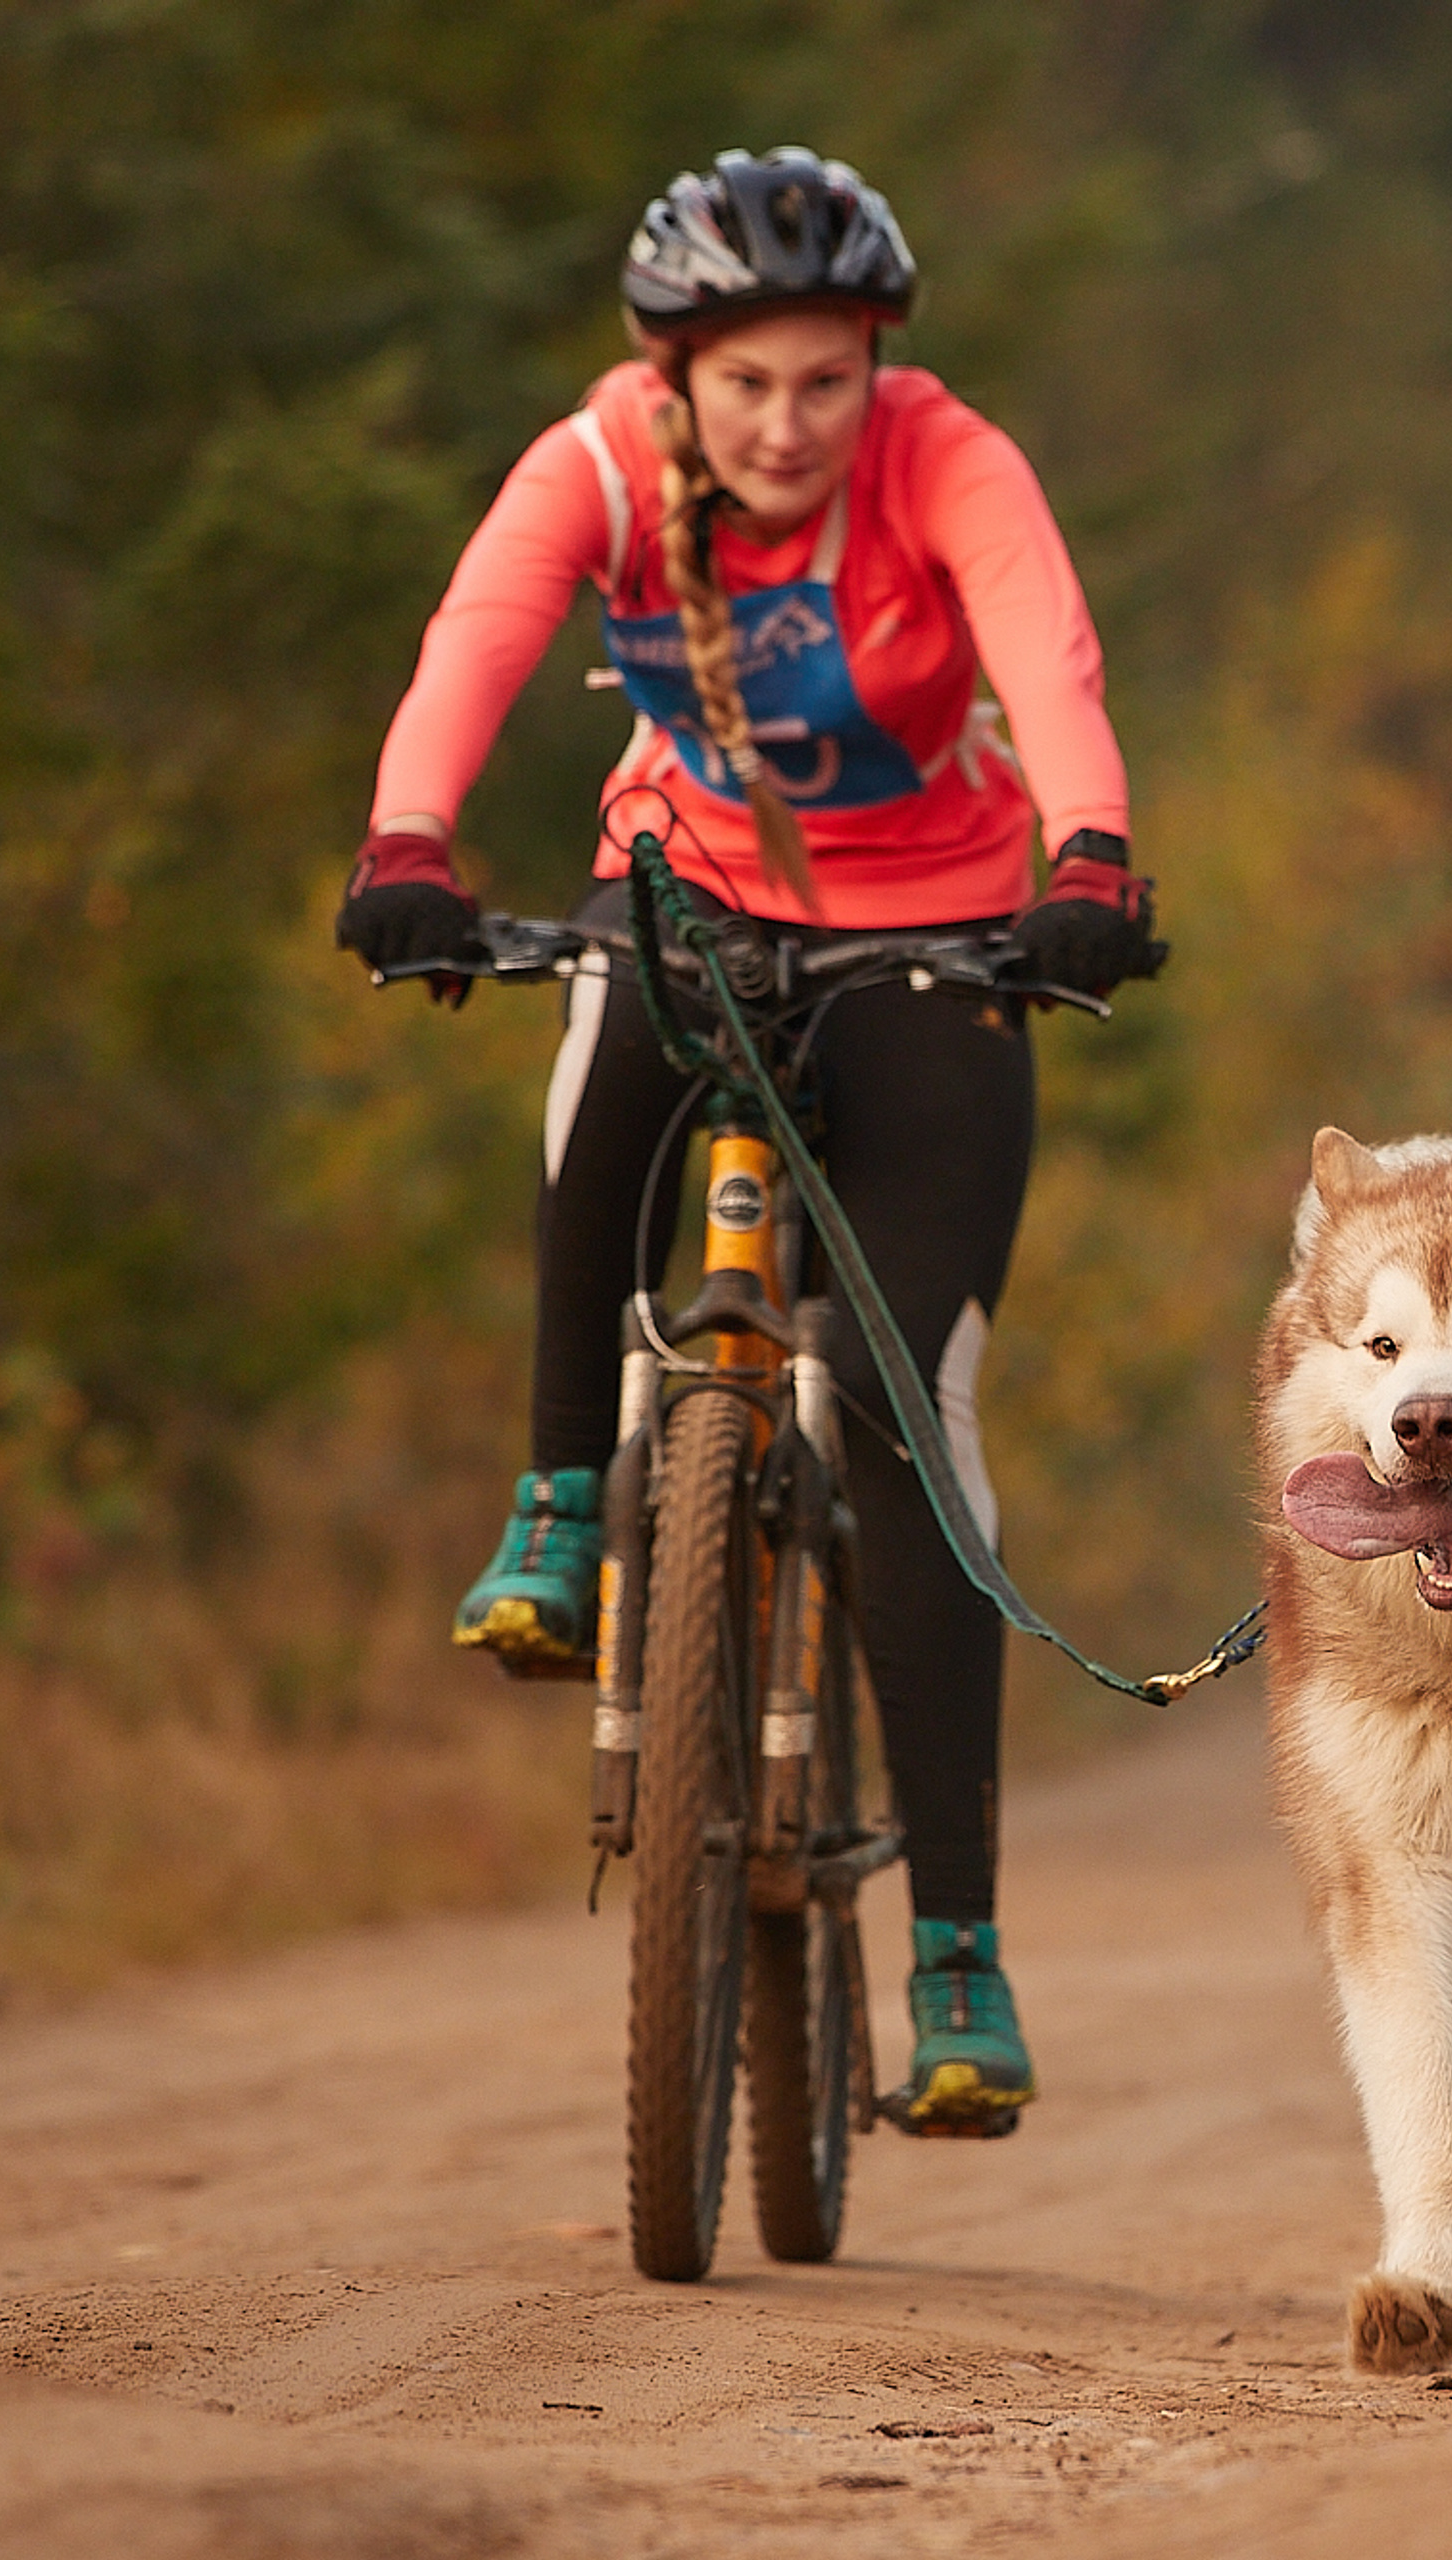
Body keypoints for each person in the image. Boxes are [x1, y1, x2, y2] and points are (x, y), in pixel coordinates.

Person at [334, 147, 1162, 2136]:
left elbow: (1047, 656)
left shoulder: (945, 460)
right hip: (690, 899)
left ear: (875, 363)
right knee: (607, 1009)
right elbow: (478, 634)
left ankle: (954, 1956)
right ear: (672, 375)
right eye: (745, 385)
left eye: (823, 380)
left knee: (903, 1416)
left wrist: (1089, 857)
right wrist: (409, 842)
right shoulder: (602, 463)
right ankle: (557, 1500)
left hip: (941, 934)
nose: (786, 425)